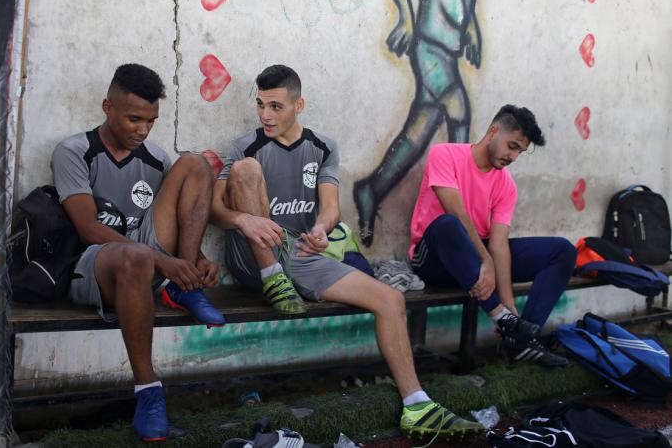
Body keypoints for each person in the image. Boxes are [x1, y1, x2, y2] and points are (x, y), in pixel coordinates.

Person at [211, 64, 484, 440]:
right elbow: (216, 209)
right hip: (253, 256)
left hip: (301, 253)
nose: (265, 115)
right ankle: (274, 279)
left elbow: (331, 207)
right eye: (260, 105)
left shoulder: (322, 147)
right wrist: (245, 220)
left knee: (390, 299)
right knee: (245, 170)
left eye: (275, 106)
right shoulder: (246, 146)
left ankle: (417, 404)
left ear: (298, 105)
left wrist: (322, 230)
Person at [51, 64, 225, 442]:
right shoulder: (74, 152)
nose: (142, 130)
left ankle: (185, 288)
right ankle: (148, 393)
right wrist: (164, 261)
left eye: (151, 121)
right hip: (94, 265)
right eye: (133, 119)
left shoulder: (154, 158)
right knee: (140, 257)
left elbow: (179, 213)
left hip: (148, 262)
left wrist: (194, 261)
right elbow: (88, 229)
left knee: (195, 163)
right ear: (107, 107)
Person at [409, 105, 577, 367]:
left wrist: (509, 303)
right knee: (449, 224)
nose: (513, 156)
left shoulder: (506, 184)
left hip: (475, 263)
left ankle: (520, 337)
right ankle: (504, 320)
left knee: (562, 251)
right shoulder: (445, 154)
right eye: (512, 146)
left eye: (519, 151)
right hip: (434, 260)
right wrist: (484, 260)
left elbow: (499, 244)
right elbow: (456, 211)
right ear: (493, 131)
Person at [353, 0, 481, 247]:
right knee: (459, 113)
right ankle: (457, 215)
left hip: (447, 51)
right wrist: (406, 20)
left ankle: (371, 189)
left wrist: (470, 27)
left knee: (417, 133)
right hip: (431, 48)